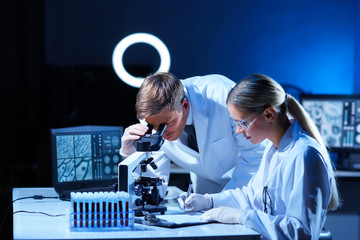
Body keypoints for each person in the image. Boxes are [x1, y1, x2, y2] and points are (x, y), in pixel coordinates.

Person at [179, 74, 341, 239]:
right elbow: (251, 197)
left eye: (243, 123)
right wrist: (208, 201)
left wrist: (242, 217)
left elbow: (301, 232)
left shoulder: (305, 154)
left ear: (269, 114)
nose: (238, 130)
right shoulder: (273, 149)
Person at [120, 72, 268, 194]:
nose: (160, 132)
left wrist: (226, 200)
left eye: (167, 124)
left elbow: (255, 156)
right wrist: (130, 155)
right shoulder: (153, 117)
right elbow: (154, 180)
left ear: (184, 105)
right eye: (154, 126)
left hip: (245, 186)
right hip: (206, 193)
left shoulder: (222, 95)